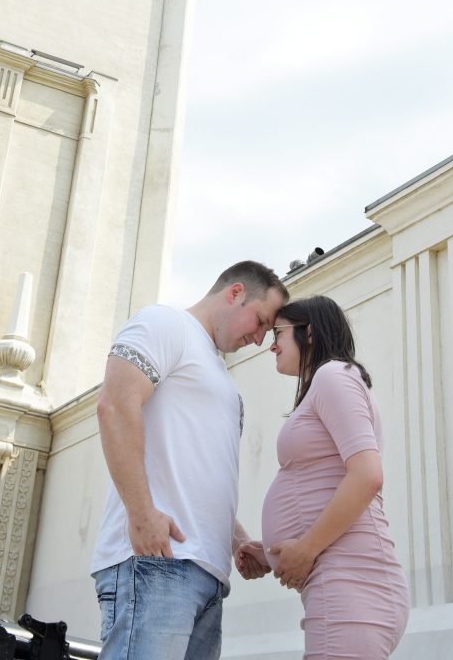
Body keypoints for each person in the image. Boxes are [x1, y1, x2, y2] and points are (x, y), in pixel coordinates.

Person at [91, 260, 289, 660]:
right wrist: (143, 514)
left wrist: (236, 540)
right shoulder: (165, 324)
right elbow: (115, 405)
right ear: (235, 293)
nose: (259, 339)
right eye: (260, 321)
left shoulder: (223, 381)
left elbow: (197, 469)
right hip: (157, 563)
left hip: (209, 577)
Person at [236, 296, 409, 660]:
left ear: (309, 332)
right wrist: (271, 553)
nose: (272, 345)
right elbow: (322, 487)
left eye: (279, 332)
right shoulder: (328, 382)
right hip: (344, 581)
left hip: (352, 582)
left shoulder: (333, 375)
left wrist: (307, 549)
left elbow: (367, 475)